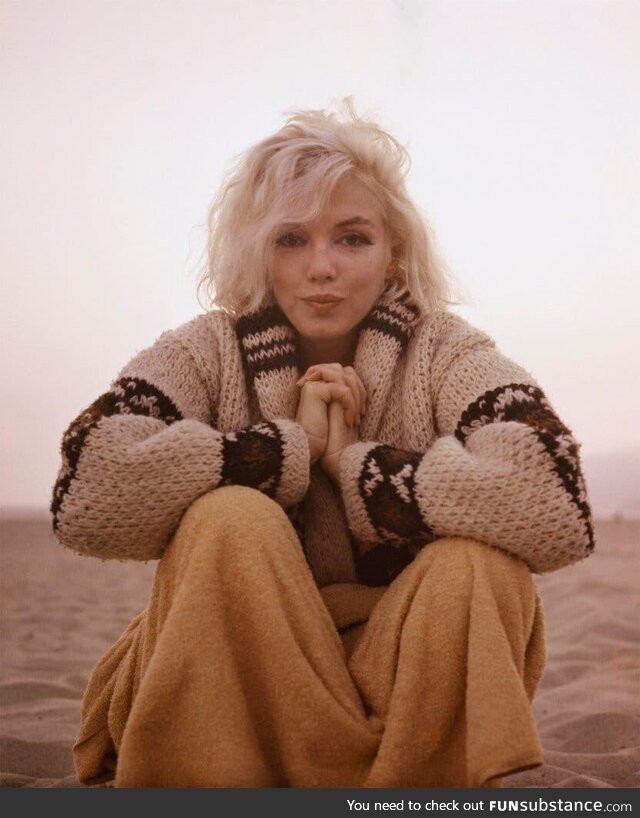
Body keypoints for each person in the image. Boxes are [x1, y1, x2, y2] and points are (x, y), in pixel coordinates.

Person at [51, 102, 594, 788]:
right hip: (240, 680)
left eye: (352, 238)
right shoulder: (207, 348)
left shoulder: (445, 350)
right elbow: (87, 493)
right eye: (290, 240)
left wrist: (356, 466)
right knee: (230, 520)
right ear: (258, 250)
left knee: (477, 565)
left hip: (401, 681)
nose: (321, 268)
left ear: (392, 250)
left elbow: (558, 500)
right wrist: (289, 448)